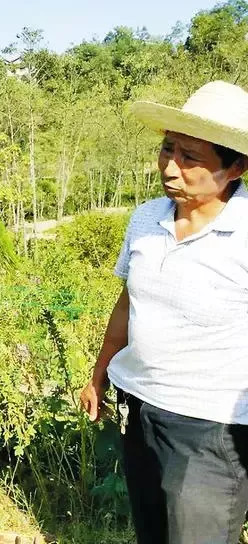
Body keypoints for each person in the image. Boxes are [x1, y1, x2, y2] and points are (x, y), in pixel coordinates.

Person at [80, 80, 248, 544]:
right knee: (152, 532)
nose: (171, 167)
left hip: (211, 430)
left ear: (235, 167)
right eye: (167, 148)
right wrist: (98, 374)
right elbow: (129, 301)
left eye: (191, 157)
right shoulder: (145, 218)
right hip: (141, 408)